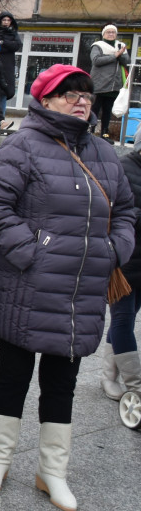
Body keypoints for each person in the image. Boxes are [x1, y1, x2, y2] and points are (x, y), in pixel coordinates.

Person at [0, 63, 134, 511]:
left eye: (85, 94)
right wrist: (33, 252)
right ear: (45, 100)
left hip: (79, 288)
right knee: (14, 371)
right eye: (69, 93)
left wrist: (115, 249)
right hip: (27, 284)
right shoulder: (23, 145)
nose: (81, 100)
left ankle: (53, 472)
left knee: (62, 379)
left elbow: (124, 211)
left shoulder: (103, 152)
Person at [102, 128, 141, 404]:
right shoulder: (124, 168)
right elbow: (113, 211)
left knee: (124, 320)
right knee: (123, 319)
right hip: (125, 259)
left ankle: (107, 375)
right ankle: (136, 387)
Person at [90, 24, 130, 141]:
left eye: (113, 32)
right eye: (109, 32)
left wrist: (121, 54)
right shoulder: (98, 46)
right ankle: (90, 133)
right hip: (99, 85)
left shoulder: (121, 46)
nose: (111, 34)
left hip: (114, 86)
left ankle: (105, 135)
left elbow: (126, 61)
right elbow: (96, 60)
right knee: (94, 110)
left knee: (107, 112)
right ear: (104, 34)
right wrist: (114, 56)